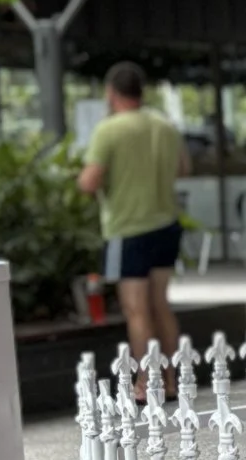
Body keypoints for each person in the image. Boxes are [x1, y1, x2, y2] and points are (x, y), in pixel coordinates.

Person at [77, 62, 184, 361]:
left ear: (111, 93)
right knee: (161, 305)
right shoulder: (165, 126)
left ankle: (145, 380)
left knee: (136, 310)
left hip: (128, 229)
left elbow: (89, 181)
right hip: (167, 225)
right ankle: (174, 377)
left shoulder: (109, 129)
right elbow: (184, 168)